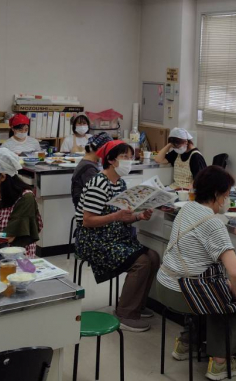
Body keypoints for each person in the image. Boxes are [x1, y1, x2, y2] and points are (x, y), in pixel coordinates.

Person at [157, 166, 236, 380]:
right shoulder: (213, 224)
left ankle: (186, 343)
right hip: (184, 292)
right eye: (227, 195)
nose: (227, 200)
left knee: (212, 285)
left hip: (164, 285)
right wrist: (233, 296)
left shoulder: (186, 209)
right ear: (218, 194)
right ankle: (220, 361)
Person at [76, 140, 159, 332]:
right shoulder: (99, 184)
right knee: (142, 262)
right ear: (111, 160)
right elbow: (87, 221)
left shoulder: (120, 183)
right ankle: (125, 314)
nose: (129, 161)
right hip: (94, 241)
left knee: (153, 257)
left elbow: (123, 218)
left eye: (131, 157)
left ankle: (135, 305)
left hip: (115, 237)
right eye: (125, 157)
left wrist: (139, 216)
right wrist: (116, 216)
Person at [70, 132, 111, 212]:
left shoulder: (88, 164)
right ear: (101, 149)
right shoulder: (89, 169)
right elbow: (98, 196)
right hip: (88, 214)